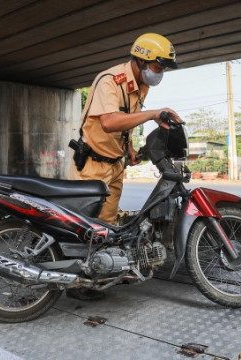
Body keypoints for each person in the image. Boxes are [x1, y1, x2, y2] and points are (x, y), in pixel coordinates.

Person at [67, 33, 183, 300]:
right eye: (158, 66)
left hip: (115, 165)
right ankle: (76, 283)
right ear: (142, 61)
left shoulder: (141, 84)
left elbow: (127, 121)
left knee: (106, 226)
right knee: (87, 227)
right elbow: (109, 121)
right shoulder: (110, 81)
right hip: (92, 165)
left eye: (163, 68)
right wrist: (153, 113)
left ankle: (96, 276)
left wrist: (129, 150)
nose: (160, 73)